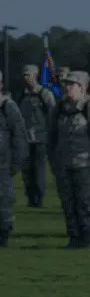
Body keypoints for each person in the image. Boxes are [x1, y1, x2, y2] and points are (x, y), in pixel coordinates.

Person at [48, 71, 90, 248]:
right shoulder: (59, 109)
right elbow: (51, 139)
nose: (67, 87)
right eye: (66, 84)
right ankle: (73, 237)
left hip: (84, 165)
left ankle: (85, 237)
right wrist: (54, 163)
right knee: (68, 204)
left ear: (82, 88)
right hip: (64, 165)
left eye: (72, 84)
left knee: (85, 203)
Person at [17, 65, 56, 208]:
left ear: (35, 75)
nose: (25, 78)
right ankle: (30, 197)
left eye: (28, 75)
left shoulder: (44, 94)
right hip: (26, 138)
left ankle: (38, 198)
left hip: (40, 139)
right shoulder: (22, 95)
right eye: (24, 75)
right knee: (27, 170)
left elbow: (52, 114)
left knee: (39, 169)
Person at [0, 72, 25, 246]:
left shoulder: (8, 106)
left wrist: (16, 163)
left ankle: (3, 235)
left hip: (3, 165)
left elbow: (19, 137)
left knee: (3, 202)